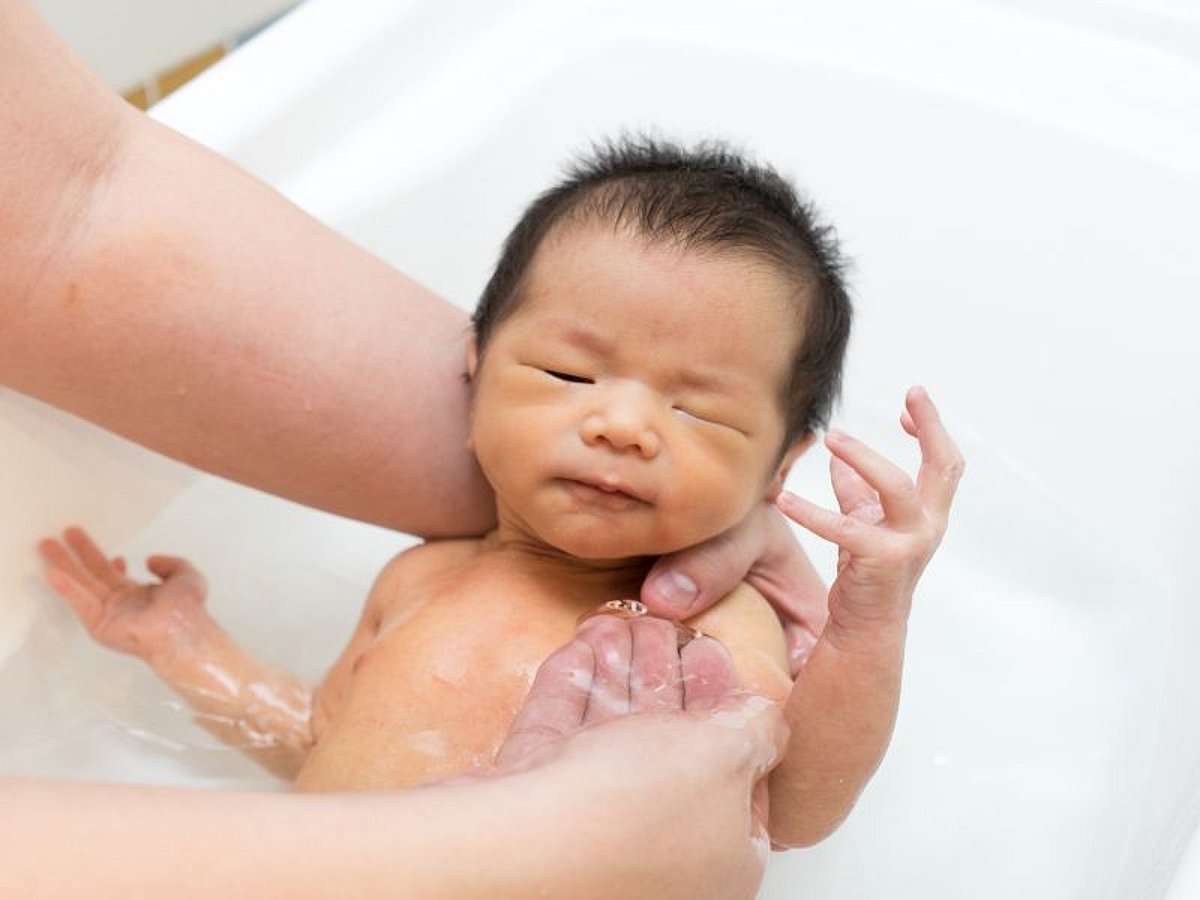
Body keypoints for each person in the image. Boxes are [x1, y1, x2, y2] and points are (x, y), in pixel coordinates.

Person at [0, 0, 961, 894]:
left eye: (702, 412)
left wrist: (868, 622)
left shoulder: (716, 628)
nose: (621, 424)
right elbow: (321, 741)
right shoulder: (416, 582)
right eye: (568, 377)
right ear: (473, 371)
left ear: (781, 466)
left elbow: (796, 811)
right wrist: (190, 652)